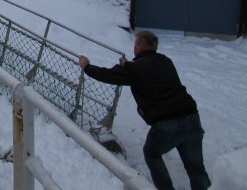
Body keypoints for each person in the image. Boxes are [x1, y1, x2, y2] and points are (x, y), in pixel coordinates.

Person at [77, 31, 211, 190]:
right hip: (191, 117)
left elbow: (109, 75)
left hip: (167, 123)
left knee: (152, 154)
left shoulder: (136, 69)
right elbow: (147, 71)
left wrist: (87, 67)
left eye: (135, 45)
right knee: (195, 167)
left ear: (139, 47)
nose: (134, 47)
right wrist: (127, 65)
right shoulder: (165, 61)